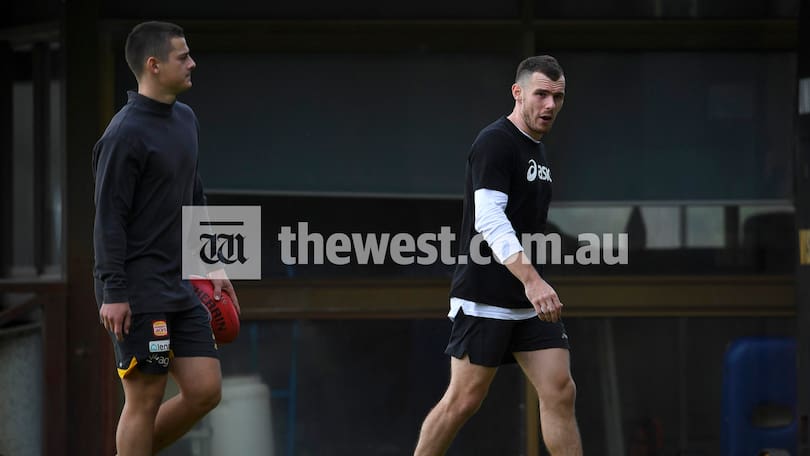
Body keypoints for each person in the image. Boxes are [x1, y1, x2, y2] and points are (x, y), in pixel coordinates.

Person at [414, 55, 582, 455]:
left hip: (525, 301)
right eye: (541, 94)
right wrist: (533, 280)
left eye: (557, 97)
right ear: (517, 92)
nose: (549, 106)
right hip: (485, 296)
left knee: (560, 391)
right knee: (463, 400)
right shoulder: (495, 141)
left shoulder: (536, 152)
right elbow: (489, 219)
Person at [92, 21, 240, 456]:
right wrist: (113, 292)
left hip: (179, 284)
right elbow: (108, 220)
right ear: (153, 65)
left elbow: (195, 195)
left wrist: (211, 264)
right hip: (135, 290)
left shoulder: (186, 119)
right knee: (145, 397)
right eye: (183, 56)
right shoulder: (122, 135)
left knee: (205, 389)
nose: (193, 63)